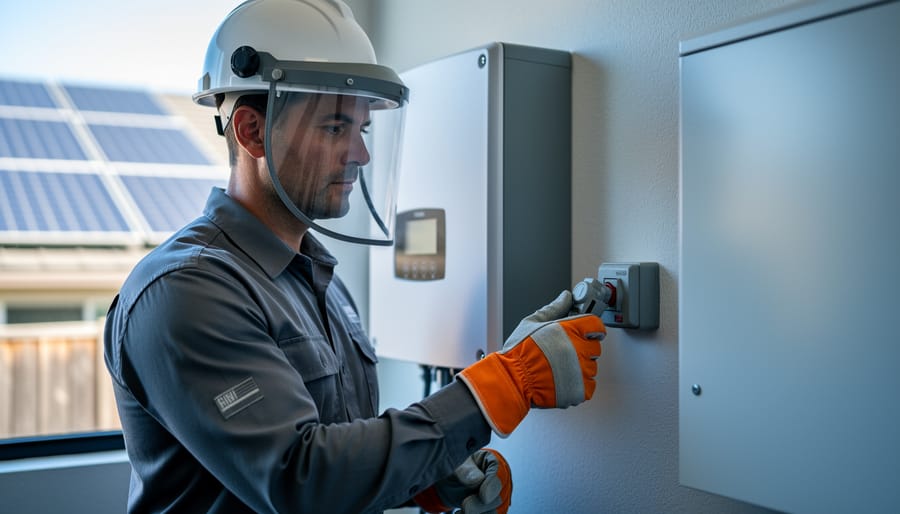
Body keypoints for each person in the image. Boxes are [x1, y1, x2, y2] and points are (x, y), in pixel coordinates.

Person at [103, 1, 605, 513]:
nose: (361, 155)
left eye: (363, 130)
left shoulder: (321, 282)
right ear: (252, 131)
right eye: (335, 128)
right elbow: (303, 482)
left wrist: (422, 480)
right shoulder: (186, 292)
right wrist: (499, 386)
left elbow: (336, 446)